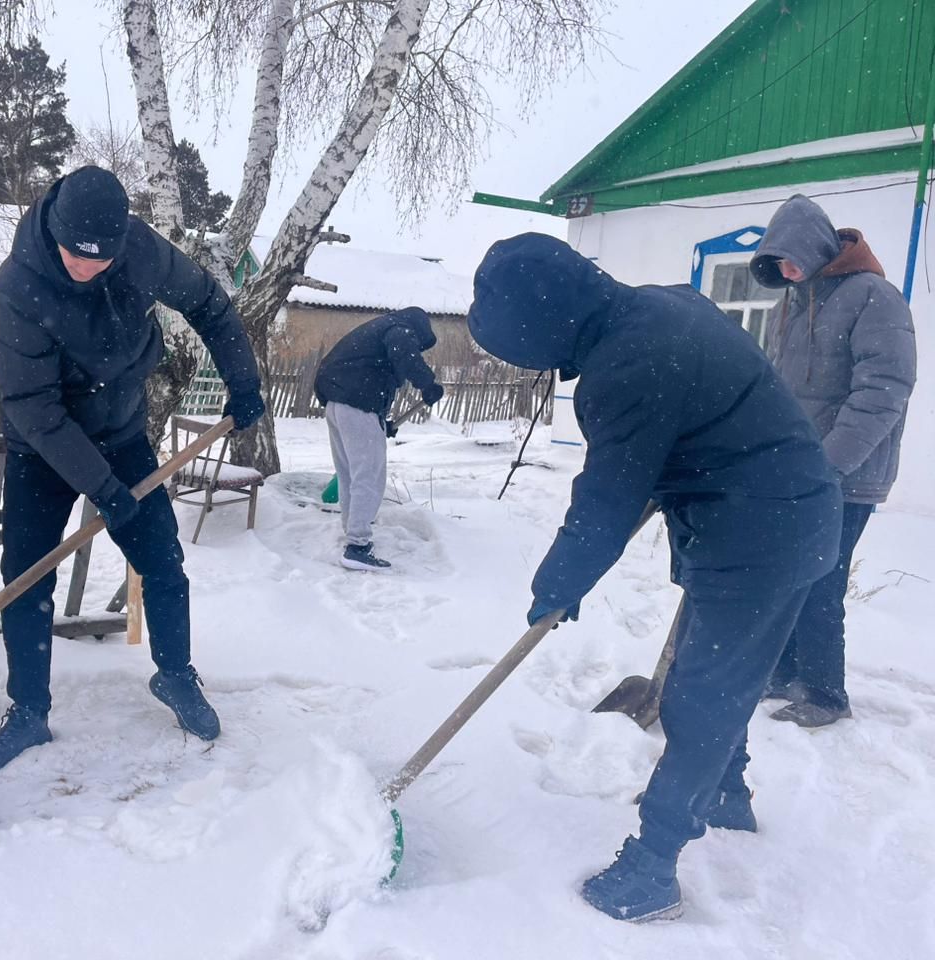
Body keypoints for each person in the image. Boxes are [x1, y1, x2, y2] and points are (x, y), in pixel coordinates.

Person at [468, 233, 842, 922]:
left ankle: (652, 869)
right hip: (768, 518)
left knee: (702, 697)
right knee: (720, 675)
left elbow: (607, 499)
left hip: (762, 534)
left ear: (544, 326)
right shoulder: (658, 307)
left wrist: (558, 583)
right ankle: (726, 794)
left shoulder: (627, 365)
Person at [0, 166, 265, 776]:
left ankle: (175, 675)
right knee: (26, 579)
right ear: (56, 232)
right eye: (76, 256)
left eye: (100, 258)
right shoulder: (17, 289)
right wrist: (100, 487)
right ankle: (28, 711)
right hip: (41, 448)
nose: (87, 267)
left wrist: (242, 379)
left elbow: (209, 304)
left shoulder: (140, 251)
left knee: (163, 560)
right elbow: (35, 408)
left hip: (122, 432)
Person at [750, 195, 917, 728]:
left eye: (790, 258)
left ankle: (825, 694)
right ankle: (783, 674)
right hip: (799, 471)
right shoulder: (793, 304)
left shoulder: (874, 297)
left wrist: (829, 465)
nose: (785, 271)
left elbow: (883, 391)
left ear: (814, 246)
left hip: (847, 474)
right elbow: (779, 388)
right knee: (788, 573)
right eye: (776, 263)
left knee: (820, 580)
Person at [313, 307, 444, 570]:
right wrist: (428, 384)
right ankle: (357, 546)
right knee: (369, 476)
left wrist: (381, 422)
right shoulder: (399, 329)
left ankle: (353, 532)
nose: (418, 348)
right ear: (417, 328)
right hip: (357, 404)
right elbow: (404, 353)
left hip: (337, 404)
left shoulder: (375, 330)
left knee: (350, 475)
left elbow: (365, 372)